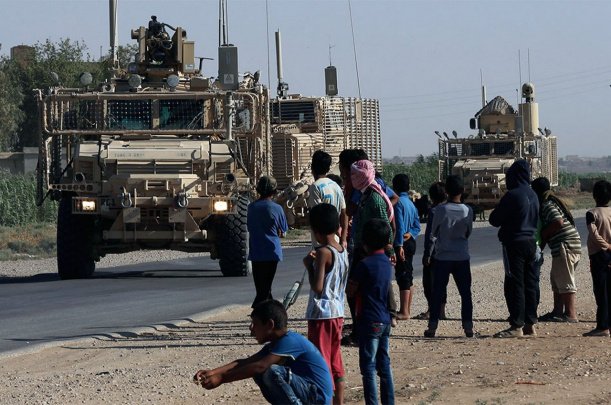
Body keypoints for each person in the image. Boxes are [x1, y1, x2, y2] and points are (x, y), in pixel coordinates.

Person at [194, 300, 333, 404]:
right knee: (255, 370)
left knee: (271, 371)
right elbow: (246, 362)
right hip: (308, 392)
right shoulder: (275, 345)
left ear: (270, 324)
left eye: (255, 324)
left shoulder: (291, 341)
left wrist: (222, 379)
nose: (251, 329)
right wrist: (214, 372)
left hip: (317, 397)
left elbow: (260, 366)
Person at [343, 159, 397, 347]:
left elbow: (386, 226)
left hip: (369, 251)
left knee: (357, 291)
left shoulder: (374, 198)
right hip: (363, 248)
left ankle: (361, 333)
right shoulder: (364, 194)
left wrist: (389, 249)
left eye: (354, 175)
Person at [303, 203, 350, 404]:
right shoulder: (341, 250)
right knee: (335, 361)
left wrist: (309, 266)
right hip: (337, 312)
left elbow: (318, 286)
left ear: (315, 231)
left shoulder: (323, 252)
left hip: (321, 314)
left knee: (321, 363)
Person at [346, 218, 395, 405]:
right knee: (384, 366)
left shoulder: (364, 264)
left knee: (368, 368)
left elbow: (351, 291)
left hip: (368, 319)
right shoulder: (386, 262)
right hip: (384, 319)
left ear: (364, 241)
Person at [489, 160, 539, 338]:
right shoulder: (533, 194)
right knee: (529, 283)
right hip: (531, 242)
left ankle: (516, 325)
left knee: (514, 284)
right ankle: (530, 324)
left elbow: (495, 219)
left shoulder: (513, 195)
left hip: (515, 243)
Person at [423, 175, 476, 338]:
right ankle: (468, 328)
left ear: (446, 191)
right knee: (465, 293)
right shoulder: (468, 210)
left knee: (437, 293)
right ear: (463, 191)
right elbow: (468, 232)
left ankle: (432, 327)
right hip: (461, 256)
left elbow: (433, 233)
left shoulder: (439, 210)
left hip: (442, 257)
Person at [531, 177, 581, 323]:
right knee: (556, 279)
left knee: (565, 280)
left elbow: (558, 221)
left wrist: (544, 233)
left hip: (565, 245)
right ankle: (557, 311)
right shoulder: (552, 201)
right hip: (567, 245)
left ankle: (570, 314)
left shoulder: (547, 204)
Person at [247, 175, 289, 308]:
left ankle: (263, 311)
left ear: (258, 190)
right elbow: (284, 229)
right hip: (272, 252)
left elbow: (249, 226)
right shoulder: (277, 208)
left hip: (256, 251)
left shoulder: (251, 207)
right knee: (266, 287)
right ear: (275, 192)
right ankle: (261, 311)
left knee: (261, 287)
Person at [416, 182, 448, 320]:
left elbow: (431, 235)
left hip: (434, 253)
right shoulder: (448, 210)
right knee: (441, 283)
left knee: (430, 283)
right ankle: (441, 311)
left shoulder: (433, 212)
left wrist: (427, 254)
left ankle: (431, 310)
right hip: (445, 251)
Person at [583, 180, 611, 337]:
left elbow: (594, 235)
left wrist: (607, 246)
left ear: (594, 196)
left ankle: (603, 326)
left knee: (601, 291)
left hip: (599, 255)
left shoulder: (591, 214)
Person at [392, 173, 421, 320]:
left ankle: (404, 311)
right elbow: (417, 225)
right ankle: (407, 309)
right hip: (410, 241)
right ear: (408, 187)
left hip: (401, 243)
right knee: (408, 274)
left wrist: (399, 245)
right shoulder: (410, 203)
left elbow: (398, 226)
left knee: (403, 275)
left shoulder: (397, 203)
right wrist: (411, 233)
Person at [308, 150, 348, 248]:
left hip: (322, 241)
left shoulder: (315, 187)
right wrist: (343, 239)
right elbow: (344, 213)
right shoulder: (336, 186)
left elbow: (318, 215)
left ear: (312, 167)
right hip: (336, 240)